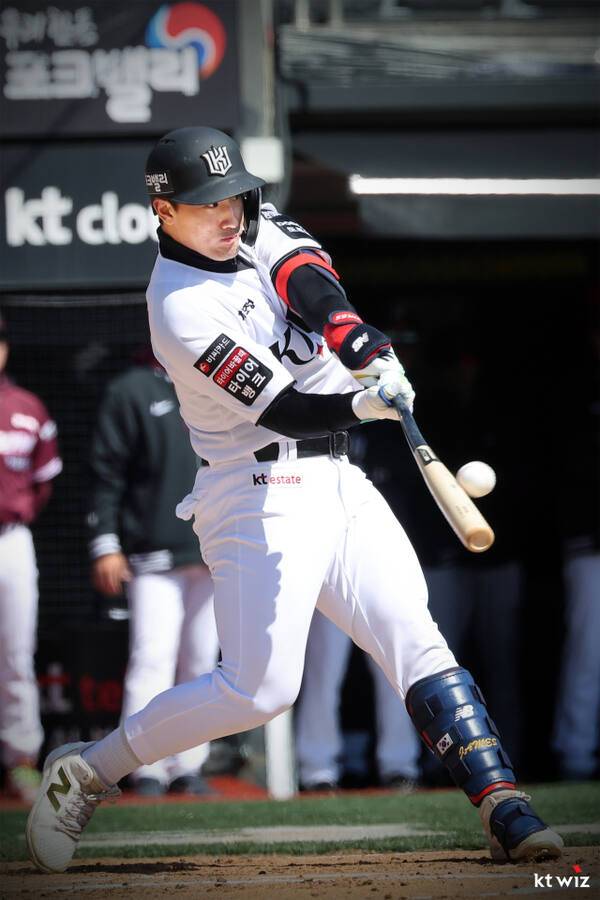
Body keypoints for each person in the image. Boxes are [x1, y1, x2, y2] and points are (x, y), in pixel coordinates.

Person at [26, 126, 563, 872]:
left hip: (342, 480)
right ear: (162, 209)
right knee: (259, 690)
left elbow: (311, 286)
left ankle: (507, 806)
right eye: (206, 202)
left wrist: (363, 347)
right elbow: (282, 409)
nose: (228, 213)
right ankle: (86, 771)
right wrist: (363, 407)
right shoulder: (177, 307)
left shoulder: (253, 223)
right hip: (254, 491)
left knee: (413, 633)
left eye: (234, 196)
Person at [87, 350, 219, 795]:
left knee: (203, 662)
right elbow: (106, 475)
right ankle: (141, 765)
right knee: (152, 657)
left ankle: (188, 766)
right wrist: (106, 543)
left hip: (213, 550)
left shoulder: (218, 379)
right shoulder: (131, 389)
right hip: (151, 555)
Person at [0, 309, 62, 804]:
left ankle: (20, 760)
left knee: (15, 653)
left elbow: (44, 484)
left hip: (12, 538)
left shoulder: (27, 408)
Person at [296, 608, 421, 791]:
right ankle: (317, 770)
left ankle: (400, 767)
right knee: (323, 674)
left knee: (394, 673)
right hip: (329, 582)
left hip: (383, 582)